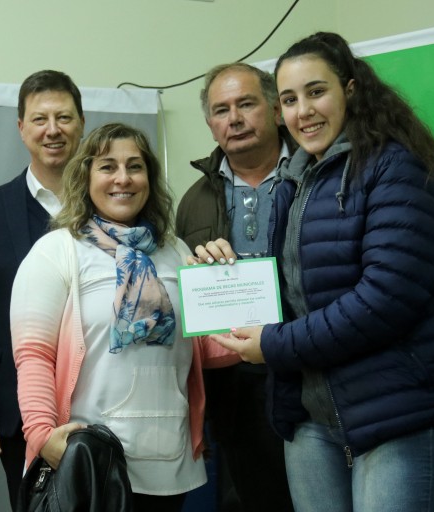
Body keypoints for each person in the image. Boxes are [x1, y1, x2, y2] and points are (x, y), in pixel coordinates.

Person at [198, 32, 434, 512]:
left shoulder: (397, 169)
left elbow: (384, 302)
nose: (303, 111)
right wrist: (222, 276)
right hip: (312, 419)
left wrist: (274, 344)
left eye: (316, 92)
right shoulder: (296, 180)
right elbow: (298, 290)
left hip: (397, 414)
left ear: (350, 89)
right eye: (289, 99)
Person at [11, 123, 240, 512]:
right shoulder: (56, 251)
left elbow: (211, 349)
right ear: (85, 176)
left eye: (135, 166)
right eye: (107, 167)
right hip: (89, 462)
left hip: (168, 461)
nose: (123, 178)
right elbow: (33, 355)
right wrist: (41, 435)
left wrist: (232, 289)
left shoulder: (175, 250)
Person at [0, 70, 84, 510]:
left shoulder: (113, 202)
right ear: (22, 128)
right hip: (18, 411)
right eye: (40, 119)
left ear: (81, 123)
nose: (53, 130)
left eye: (64, 117)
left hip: (99, 400)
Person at [176, 63, 295, 512]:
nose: (235, 119)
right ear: (211, 124)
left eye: (246, 104)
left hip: (308, 367)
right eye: (221, 110)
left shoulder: (314, 174)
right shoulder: (194, 200)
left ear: (275, 109)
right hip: (234, 384)